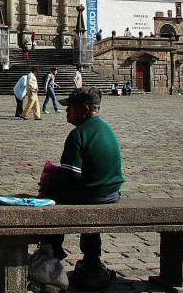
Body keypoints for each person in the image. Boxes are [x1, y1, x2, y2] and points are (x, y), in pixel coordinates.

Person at [40, 88, 124, 290]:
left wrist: (48, 181)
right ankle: (92, 257)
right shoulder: (106, 128)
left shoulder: (78, 134)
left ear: (85, 109)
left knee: (50, 201)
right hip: (112, 194)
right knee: (85, 205)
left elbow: (71, 176)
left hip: (94, 194)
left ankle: (52, 255)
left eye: (70, 108)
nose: (67, 111)